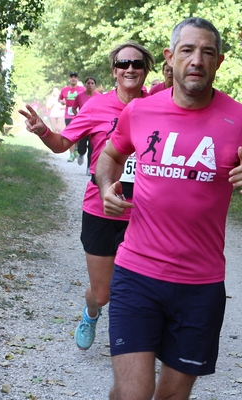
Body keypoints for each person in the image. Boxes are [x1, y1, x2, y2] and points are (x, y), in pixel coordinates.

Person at [96, 17, 242, 400]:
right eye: (188, 50)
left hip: (200, 285)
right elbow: (110, 156)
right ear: (170, 57)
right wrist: (107, 186)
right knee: (131, 398)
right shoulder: (140, 111)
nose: (197, 60)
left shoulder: (241, 119)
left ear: (219, 62)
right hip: (137, 273)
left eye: (207, 52)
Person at [19, 41, 154, 353]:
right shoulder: (96, 106)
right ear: (114, 71)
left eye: (137, 63)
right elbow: (61, 144)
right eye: (123, 64)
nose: (130, 68)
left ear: (146, 70)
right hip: (101, 210)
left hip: (146, 212)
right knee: (102, 293)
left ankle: (133, 343)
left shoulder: (159, 106)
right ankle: (91, 313)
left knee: (140, 287)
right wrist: (42, 130)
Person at [74, 76, 102, 169]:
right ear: (85, 85)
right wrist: (78, 116)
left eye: (92, 83)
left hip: (95, 125)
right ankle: (81, 153)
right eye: (88, 83)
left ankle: (89, 167)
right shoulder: (79, 96)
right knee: (82, 144)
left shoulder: (99, 96)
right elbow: (74, 108)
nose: (90, 85)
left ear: (95, 85)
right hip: (83, 124)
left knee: (92, 146)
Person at [59, 72, 86, 162]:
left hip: (79, 114)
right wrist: (61, 101)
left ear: (77, 79)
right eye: (72, 77)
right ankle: (71, 154)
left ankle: (76, 149)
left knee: (78, 134)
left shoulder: (82, 89)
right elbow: (59, 98)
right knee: (70, 134)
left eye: (75, 77)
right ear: (69, 79)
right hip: (68, 114)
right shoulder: (64, 89)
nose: (73, 79)